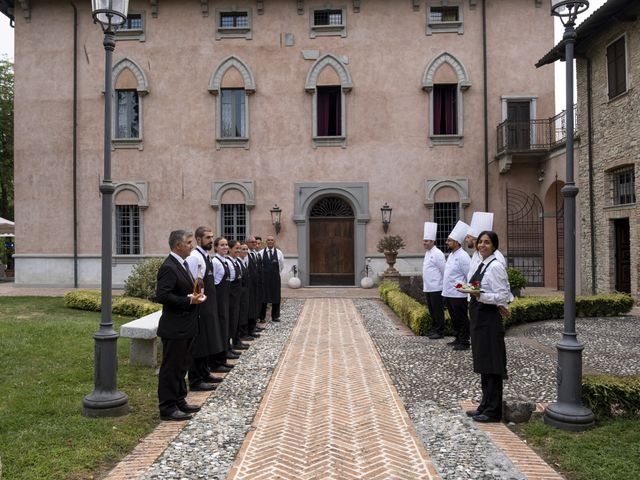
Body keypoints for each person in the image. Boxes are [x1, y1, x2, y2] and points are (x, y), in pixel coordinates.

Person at [155, 229, 205, 421]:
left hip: (186, 325)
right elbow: (163, 296)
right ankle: (167, 408)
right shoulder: (169, 266)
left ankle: (179, 400)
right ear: (178, 245)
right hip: (175, 327)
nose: (192, 245)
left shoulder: (181, 264)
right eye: (189, 242)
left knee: (182, 365)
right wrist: (189, 301)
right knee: (171, 368)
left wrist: (194, 298)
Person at [465, 230, 510, 423]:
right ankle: (484, 404)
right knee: (484, 364)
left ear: (494, 246)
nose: (482, 245)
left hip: (489, 321)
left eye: (487, 242)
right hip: (479, 320)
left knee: (492, 365)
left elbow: (503, 296)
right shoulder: (482, 264)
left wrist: (480, 296)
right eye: (480, 242)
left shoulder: (496, 266)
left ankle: (493, 410)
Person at [185, 226, 221, 391]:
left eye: (212, 237)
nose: (211, 240)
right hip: (200, 306)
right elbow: (192, 283)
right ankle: (196, 379)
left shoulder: (206, 256)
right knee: (199, 343)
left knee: (206, 340)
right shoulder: (194, 257)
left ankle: (204, 372)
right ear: (198, 239)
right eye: (207, 237)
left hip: (209, 304)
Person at [441, 220, 471, 350]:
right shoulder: (452, 255)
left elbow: (469, 276)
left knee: (461, 319)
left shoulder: (463, 256)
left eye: (449, 241)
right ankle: (458, 338)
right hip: (449, 293)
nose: (447, 242)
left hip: (459, 295)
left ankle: (464, 341)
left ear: (457, 242)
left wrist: (468, 293)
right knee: (454, 319)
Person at [210, 236, 234, 373]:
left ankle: (223, 359)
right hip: (218, 300)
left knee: (224, 329)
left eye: (226, 245)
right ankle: (216, 362)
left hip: (225, 299)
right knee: (219, 331)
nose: (225, 247)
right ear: (216, 248)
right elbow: (212, 284)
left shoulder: (224, 261)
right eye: (222, 245)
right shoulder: (215, 262)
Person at [422, 222, 446, 339]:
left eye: (426, 241)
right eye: (424, 240)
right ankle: (434, 328)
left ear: (432, 241)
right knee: (432, 310)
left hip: (437, 287)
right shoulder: (427, 253)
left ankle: (440, 331)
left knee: (438, 310)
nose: (424, 243)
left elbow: (443, 270)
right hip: (428, 287)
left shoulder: (438, 253)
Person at [228, 239, 250, 351]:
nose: (238, 250)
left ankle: (237, 341)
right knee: (232, 321)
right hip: (233, 296)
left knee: (237, 318)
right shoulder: (228, 262)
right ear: (230, 249)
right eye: (236, 248)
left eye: (239, 248)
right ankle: (233, 343)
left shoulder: (236, 262)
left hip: (239, 295)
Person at [259, 235, 284, 322]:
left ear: (274, 242)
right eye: (268, 240)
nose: (270, 241)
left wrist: (274, 274)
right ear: (266, 242)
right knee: (263, 298)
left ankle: (275, 316)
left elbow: (281, 266)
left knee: (276, 297)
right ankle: (262, 317)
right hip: (264, 279)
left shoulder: (279, 253)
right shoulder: (261, 253)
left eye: (272, 240)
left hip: (275, 279)